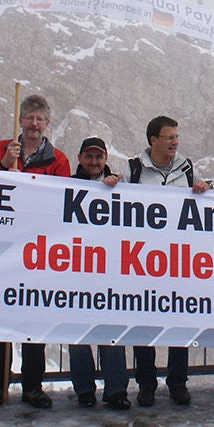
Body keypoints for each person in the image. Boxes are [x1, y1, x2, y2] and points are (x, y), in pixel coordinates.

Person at [0, 94, 70, 408]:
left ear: (47, 124)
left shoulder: (57, 158)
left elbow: (61, 201)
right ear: (20, 120)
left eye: (39, 119)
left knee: (34, 319)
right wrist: (5, 165)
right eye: (29, 118)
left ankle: (33, 386)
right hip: (1, 246)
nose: (34, 124)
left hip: (37, 250)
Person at [126, 117, 212, 406]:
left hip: (178, 260)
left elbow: (202, 200)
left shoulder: (187, 170)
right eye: (169, 137)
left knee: (180, 321)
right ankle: (146, 384)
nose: (175, 142)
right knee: (144, 324)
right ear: (153, 140)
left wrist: (203, 189)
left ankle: (178, 383)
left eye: (176, 137)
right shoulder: (133, 169)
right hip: (141, 260)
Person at [68, 137, 130, 410]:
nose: (94, 162)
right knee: (77, 333)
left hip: (110, 272)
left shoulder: (120, 187)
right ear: (80, 158)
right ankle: (84, 390)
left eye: (99, 157)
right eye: (89, 157)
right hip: (75, 269)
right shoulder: (65, 185)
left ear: (105, 159)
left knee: (112, 331)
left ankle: (116, 391)